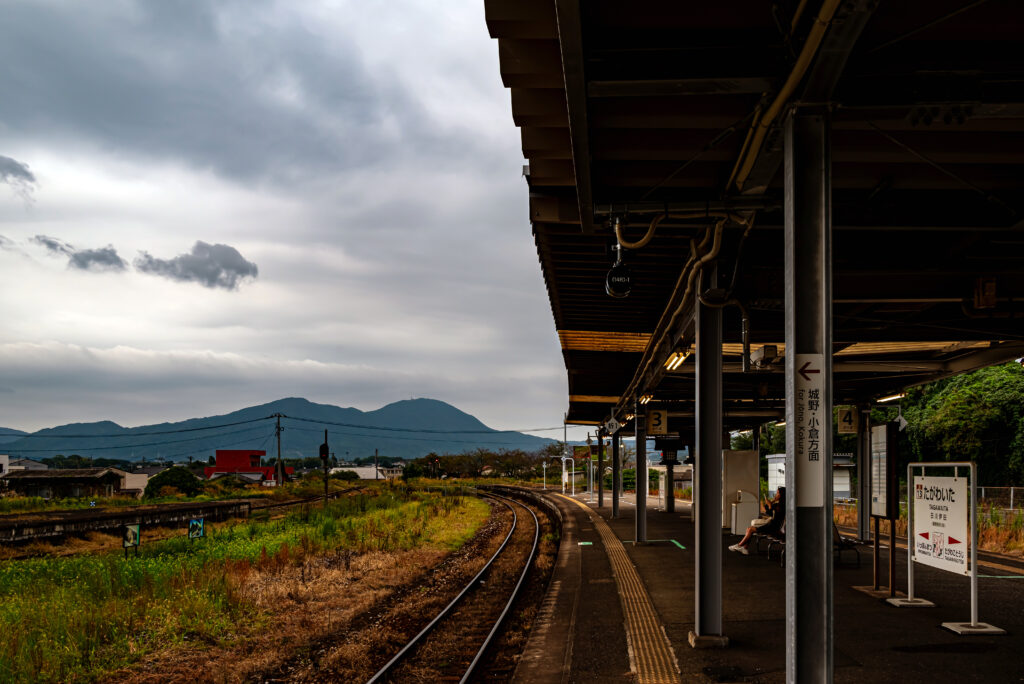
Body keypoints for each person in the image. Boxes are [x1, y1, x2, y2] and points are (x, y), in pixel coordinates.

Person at [729, 486, 785, 555]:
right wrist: (771, 502)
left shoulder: (782, 506)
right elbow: (767, 511)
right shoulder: (777, 504)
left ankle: (739, 545)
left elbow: (772, 514)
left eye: (777, 493)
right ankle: (745, 548)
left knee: (750, 530)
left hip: (774, 527)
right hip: (770, 525)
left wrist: (770, 505)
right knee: (749, 529)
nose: (776, 494)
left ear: (781, 495)